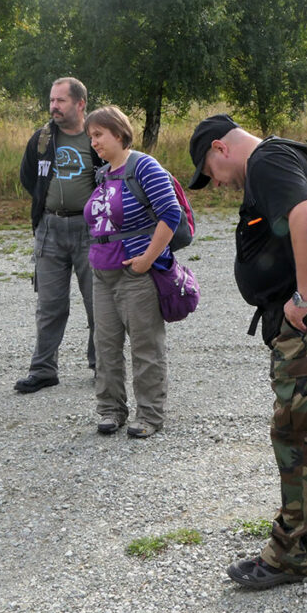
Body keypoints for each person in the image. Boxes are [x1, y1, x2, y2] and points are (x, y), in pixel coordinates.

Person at [188, 114, 307, 589]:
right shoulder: (285, 154)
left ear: (219, 148)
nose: (219, 183)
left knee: (302, 427)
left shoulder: (266, 161)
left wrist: (304, 297)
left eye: (211, 171)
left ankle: (291, 554)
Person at [83, 106, 180, 438]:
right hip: (103, 273)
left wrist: (148, 259)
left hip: (135, 273)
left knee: (145, 346)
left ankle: (150, 415)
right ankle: (111, 410)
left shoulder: (144, 167)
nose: (93, 142)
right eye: (90, 136)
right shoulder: (104, 173)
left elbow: (171, 213)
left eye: (98, 135)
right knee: (106, 345)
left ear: (119, 133)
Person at [15, 77, 102, 394]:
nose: (53, 106)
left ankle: (102, 366)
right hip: (49, 229)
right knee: (49, 305)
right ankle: (43, 370)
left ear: (80, 104)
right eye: (52, 100)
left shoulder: (98, 138)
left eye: (61, 100)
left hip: (92, 231)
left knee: (99, 303)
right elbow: (29, 177)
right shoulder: (41, 139)